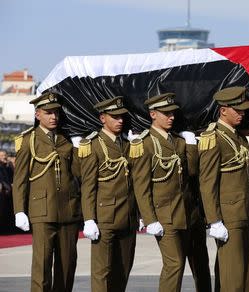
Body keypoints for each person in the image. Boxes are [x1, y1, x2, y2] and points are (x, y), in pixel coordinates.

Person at [198, 86, 249, 291]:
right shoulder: (213, 138)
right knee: (233, 278)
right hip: (229, 218)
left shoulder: (239, 137)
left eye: (243, 110)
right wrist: (214, 220)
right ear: (223, 110)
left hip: (244, 214)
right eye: (237, 110)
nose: (242, 113)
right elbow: (207, 183)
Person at [130, 93, 200, 292]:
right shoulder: (145, 143)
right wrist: (149, 218)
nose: (171, 117)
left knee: (180, 265)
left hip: (183, 212)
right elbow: (141, 187)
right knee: (175, 263)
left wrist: (191, 145)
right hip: (162, 214)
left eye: (172, 113)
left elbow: (192, 171)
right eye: (165, 113)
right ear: (153, 114)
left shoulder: (178, 141)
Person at [13, 92, 81, 291]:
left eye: (56, 113)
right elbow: (20, 180)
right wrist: (19, 210)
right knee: (42, 267)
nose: (54, 117)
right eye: (48, 113)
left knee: (67, 266)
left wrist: (77, 148)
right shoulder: (28, 141)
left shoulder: (66, 140)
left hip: (68, 210)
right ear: (37, 115)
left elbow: (78, 173)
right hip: (42, 210)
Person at [79, 96, 137, 292]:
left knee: (123, 270)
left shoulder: (128, 144)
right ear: (102, 118)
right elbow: (88, 185)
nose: (120, 120)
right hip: (105, 218)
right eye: (114, 117)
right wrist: (89, 218)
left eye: (122, 116)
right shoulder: (93, 145)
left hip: (128, 216)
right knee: (102, 272)